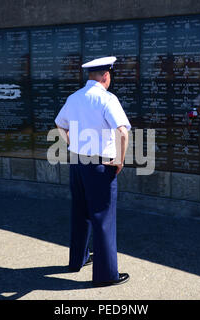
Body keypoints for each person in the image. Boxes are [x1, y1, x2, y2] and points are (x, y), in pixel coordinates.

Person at [54, 56, 131, 287]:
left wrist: (72, 144)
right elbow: (123, 132)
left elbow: (59, 123)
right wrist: (120, 160)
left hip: (77, 164)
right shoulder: (107, 99)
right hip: (99, 167)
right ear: (106, 75)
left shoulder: (74, 97)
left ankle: (77, 261)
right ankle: (107, 275)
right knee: (102, 218)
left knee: (80, 213)